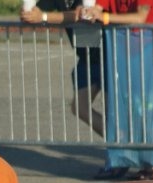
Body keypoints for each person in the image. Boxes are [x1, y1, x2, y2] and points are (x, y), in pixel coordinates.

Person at [82, 0, 153, 181]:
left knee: (147, 109)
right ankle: (128, 160)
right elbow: (99, 8)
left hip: (152, 51)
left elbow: (140, 17)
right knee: (130, 109)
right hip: (128, 51)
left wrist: (105, 17)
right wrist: (89, 11)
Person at [20, 1, 105, 137]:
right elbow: (36, 11)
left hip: (106, 53)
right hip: (87, 57)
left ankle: (125, 145)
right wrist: (27, 12)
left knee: (114, 110)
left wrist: (44, 17)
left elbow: (81, 14)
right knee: (80, 107)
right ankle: (120, 141)